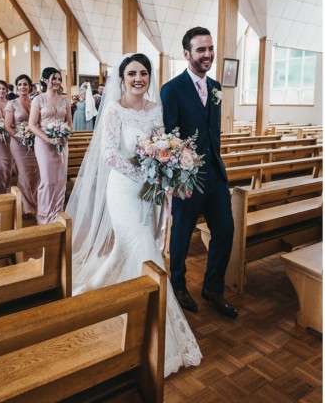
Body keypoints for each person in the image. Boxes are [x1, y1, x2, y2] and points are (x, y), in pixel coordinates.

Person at [66, 53, 202, 377]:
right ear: (122, 78)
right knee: (144, 248)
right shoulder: (114, 109)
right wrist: (146, 175)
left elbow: (159, 144)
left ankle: (125, 300)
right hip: (123, 191)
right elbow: (111, 154)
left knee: (133, 250)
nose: (138, 78)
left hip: (149, 192)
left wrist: (164, 172)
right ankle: (152, 328)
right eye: (132, 74)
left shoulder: (155, 109)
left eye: (144, 73)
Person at [161, 27, 237, 319]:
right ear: (186, 54)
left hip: (215, 175)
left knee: (225, 230)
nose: (207, 55)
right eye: (200, 50)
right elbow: (168, 136)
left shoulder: (216, 87)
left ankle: (213, 288)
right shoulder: (172, 89)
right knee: (181, 232)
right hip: (187, 177)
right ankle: (178, 284)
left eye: (210, 48)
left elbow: (211, 131)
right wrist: (178, 175)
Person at [28, 67, 72, 224]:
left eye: (59, 79)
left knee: (60, 180)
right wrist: (49, 139)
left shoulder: (65, 100)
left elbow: (69, 123)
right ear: (45, 80)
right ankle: (44, 216)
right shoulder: (38, 100)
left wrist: (63, 134)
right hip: (44, 143)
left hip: (61, 142)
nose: (57, 82)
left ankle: (57, 213)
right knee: (47, 180)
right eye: (54, 78)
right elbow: (32, 125)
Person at [4, 74, 40, 218]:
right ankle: (26, 208)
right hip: (18, 143)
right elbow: (7, 126)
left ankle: (35, 202)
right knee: (24, 173)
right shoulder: (11, 104)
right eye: (20, 84)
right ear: (17, 87)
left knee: (36, 173)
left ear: (30, 87)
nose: (22, 87)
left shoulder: (35, 102)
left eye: (25, 84)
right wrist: (21, 138)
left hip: (35, 143)